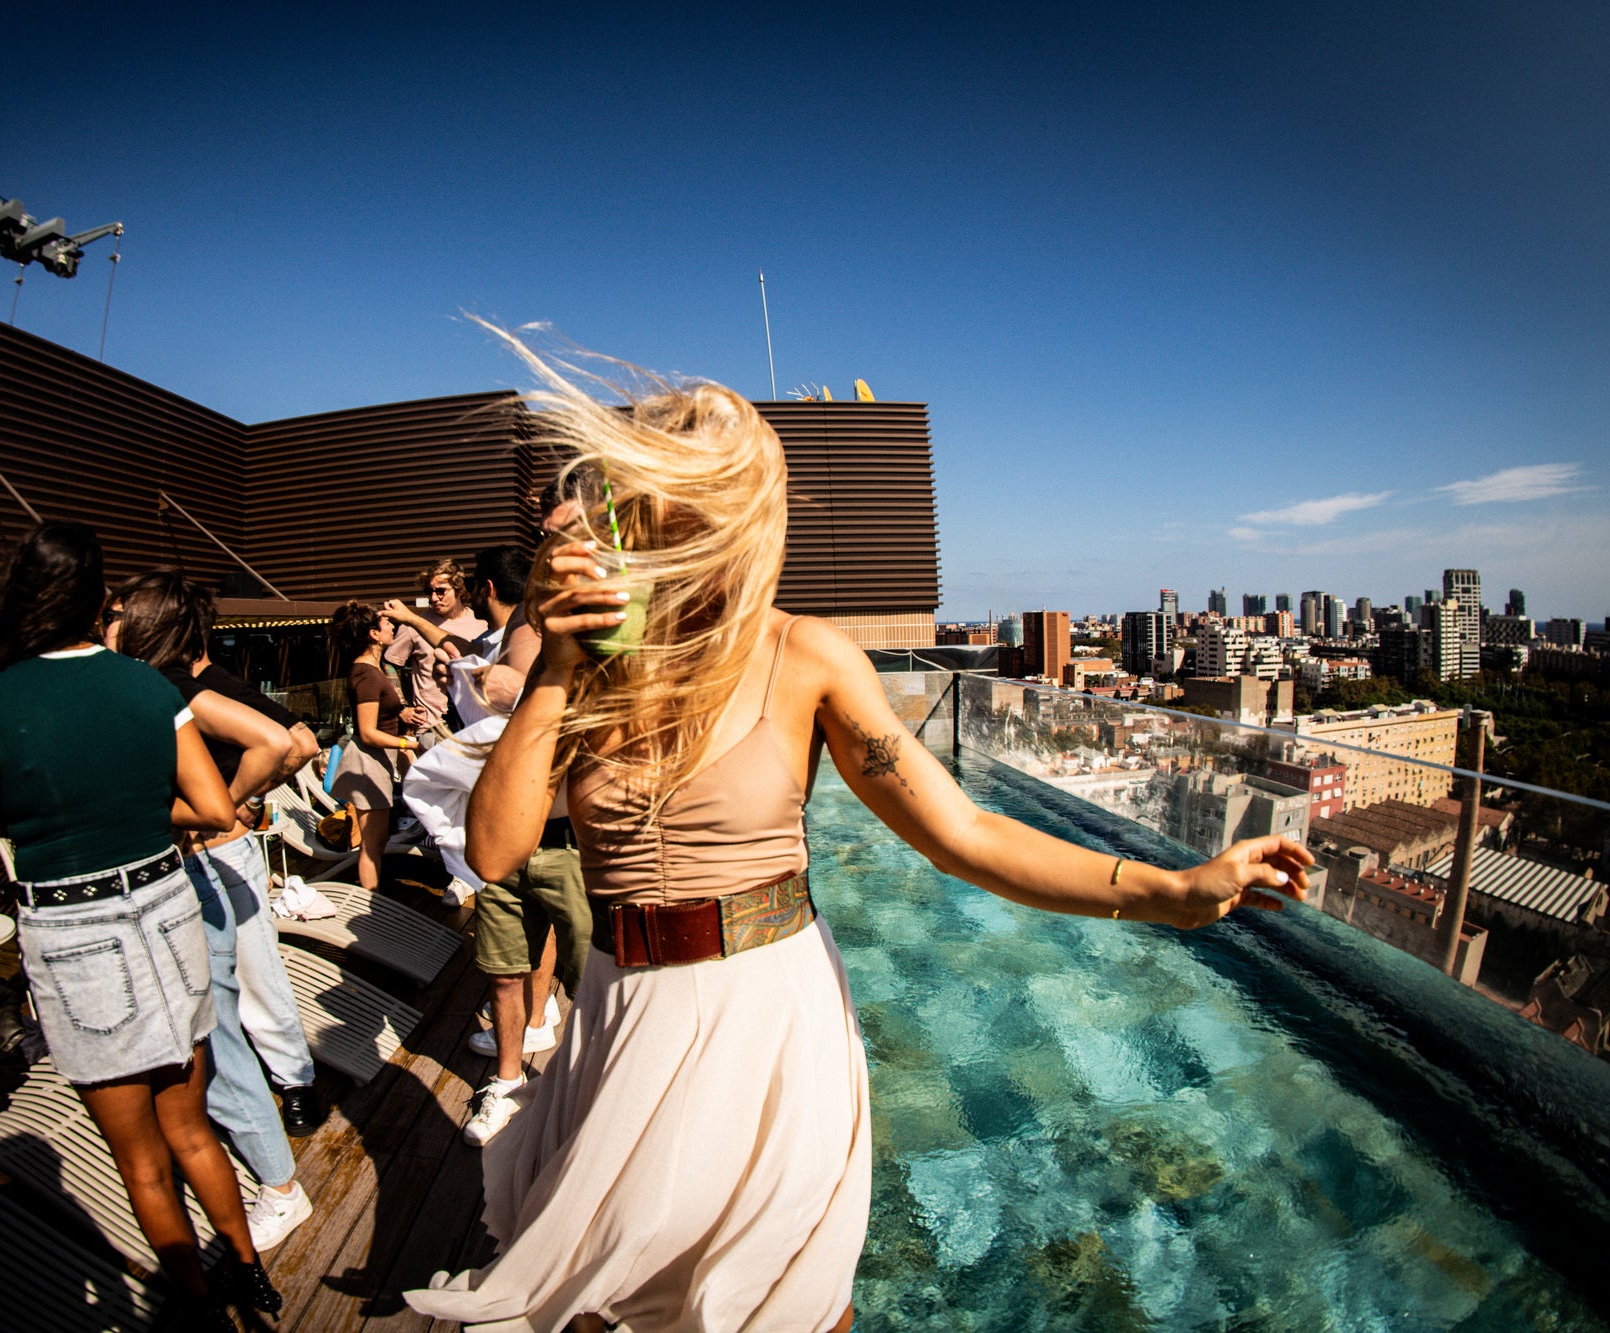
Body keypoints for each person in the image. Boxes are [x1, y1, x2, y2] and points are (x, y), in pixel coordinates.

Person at [405, 342, 1312, 1332]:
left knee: (786, 1303)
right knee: (606, 1304)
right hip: (621, 1008)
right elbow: (491, 852)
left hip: (767, 1014)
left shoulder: (804, 656)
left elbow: (961, 832)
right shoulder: (583, 663)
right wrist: (550, 672)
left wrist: (1167, 891)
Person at [0, 522, 281, 1329]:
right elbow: (214, 808)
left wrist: (34, 818)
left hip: (76, 934)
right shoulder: (145, 686)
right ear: (100, 601)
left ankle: (195, 1304)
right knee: (191, 1126)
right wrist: (129, 810)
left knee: (142, 1159)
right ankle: (254, 1275)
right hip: (167, 912)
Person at [109, 570, 320, 1237]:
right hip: (206, 862)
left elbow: (284, 742)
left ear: (142, 624)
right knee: (229, 1009)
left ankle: (278, 1180)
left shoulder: (165, 687)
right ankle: (272, 1133)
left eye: (116, 613)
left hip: (202, 862)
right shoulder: (159, 685)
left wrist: (219, 808)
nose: (105, 623)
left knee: (220, 1024)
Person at [446, 545, 591, 1148]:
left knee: (595, 979)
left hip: (566, 842)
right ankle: (507, 1083)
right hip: (509, 836)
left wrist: (517, 698)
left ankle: (590, 1088)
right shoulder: (520, 635)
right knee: (504, 972)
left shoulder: (549, 640)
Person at [326, 601, 425, 890]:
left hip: (376, 761)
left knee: (377, 839)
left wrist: (401, 713)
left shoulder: (371, 669)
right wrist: (410, 742)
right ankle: (371, 904)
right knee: (373, 843)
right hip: (367, 761)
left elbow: (378, 712)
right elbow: (368, 732)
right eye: (386, 625)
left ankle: (373, 900)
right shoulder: (367, 674)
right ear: (373, 635)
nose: (392, 626)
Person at [382, 558, 485, 737]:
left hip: (476, 723)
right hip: (432, 727)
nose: (433, 598)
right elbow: (388, 662)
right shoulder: (413, 625)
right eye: (429, 591)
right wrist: (402, 707)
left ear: (459, 590)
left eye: (440, 591)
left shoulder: (481, 622)